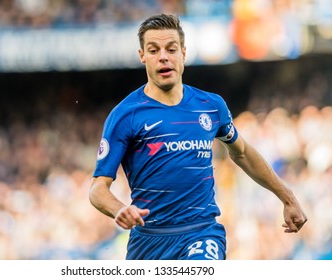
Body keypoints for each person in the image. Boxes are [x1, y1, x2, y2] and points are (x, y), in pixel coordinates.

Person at [89, 13, 307, 260]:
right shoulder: (125, 115)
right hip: (148, 241)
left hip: (201, 234)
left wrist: (287, 197)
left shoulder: (211, 106)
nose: (163, 56)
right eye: (153, 50)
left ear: (183, 52)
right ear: (143, 56)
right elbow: (98, 189)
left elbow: (243, 153)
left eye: (171, 49)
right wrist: (120, 209)